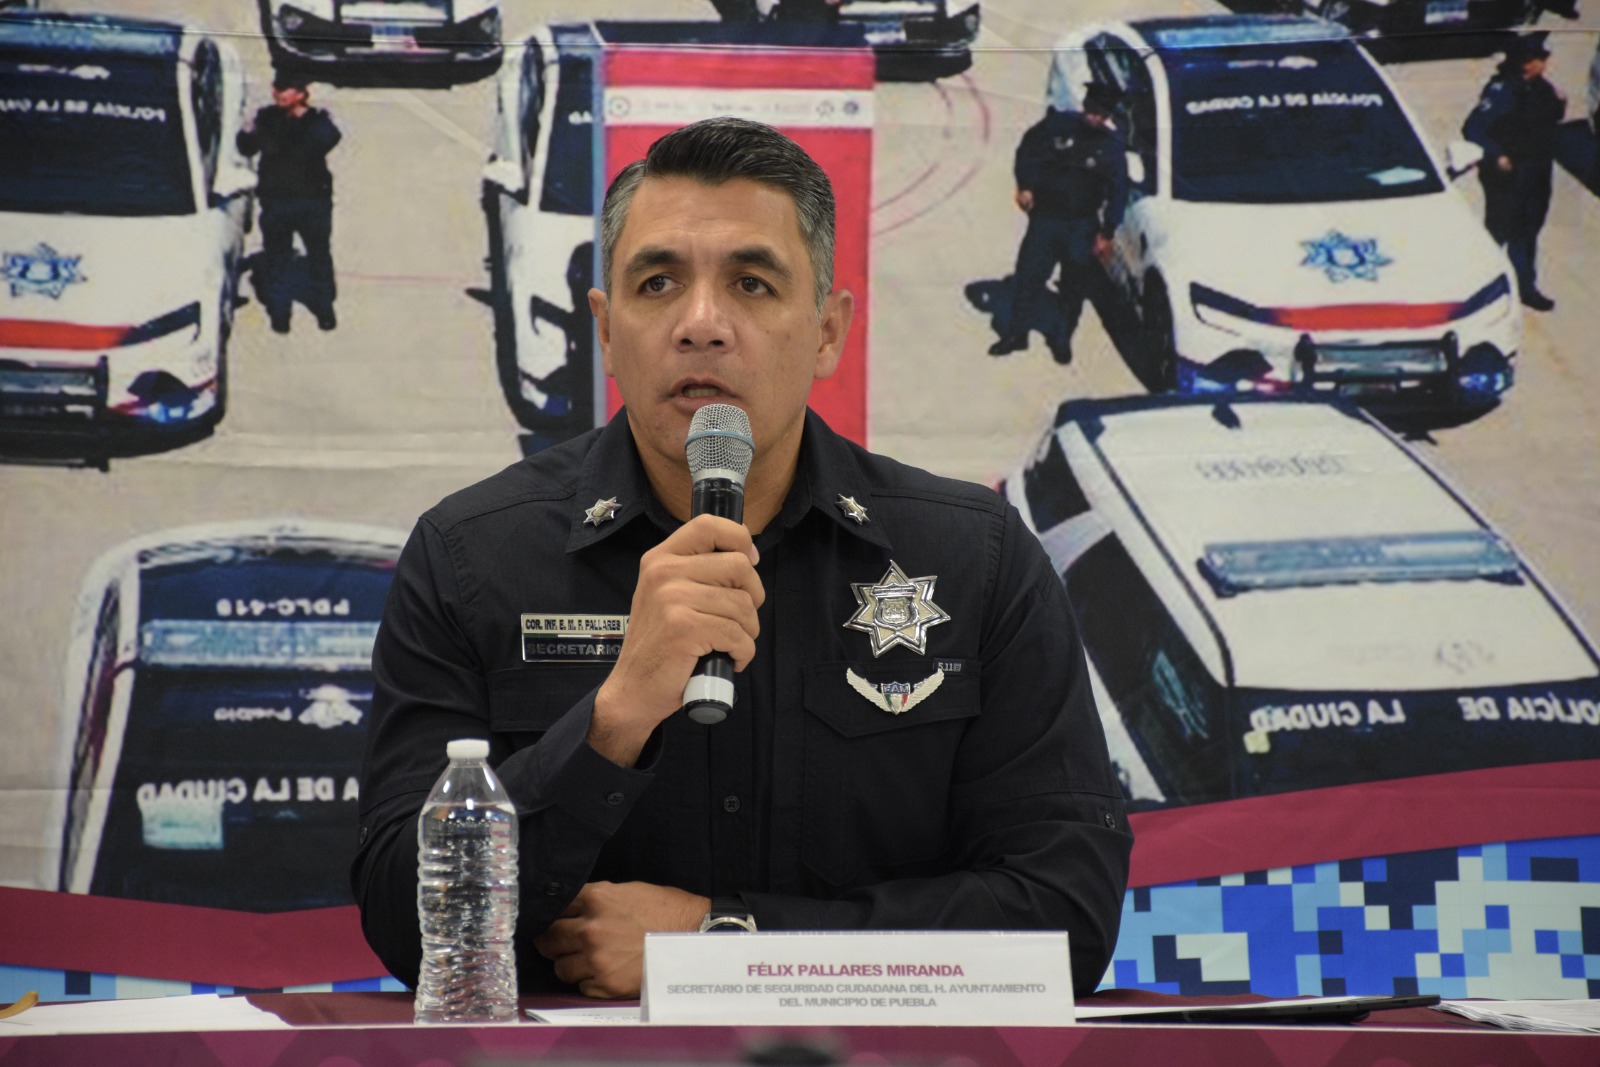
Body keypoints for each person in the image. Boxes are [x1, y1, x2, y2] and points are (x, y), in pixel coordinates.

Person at [351, 117, 1132, 1000]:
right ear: (605, 330)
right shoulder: (472, 556)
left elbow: (1065, 917)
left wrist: (725, 941)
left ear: (827, 331)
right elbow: (404, 924)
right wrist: (612, 720)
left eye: (752, 283)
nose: (701, 325)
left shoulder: (973, 558)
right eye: (657, 283)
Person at [989, 82, 1128, 364]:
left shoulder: (1111, 146)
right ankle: (1016, 334)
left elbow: (1118, 191)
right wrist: (1025, 185)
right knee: (1029, 277)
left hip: (1081, 225)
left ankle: (1061, 338)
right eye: (1090, 110)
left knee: (1073, 286)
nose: (1093, 117)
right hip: (1045, 220)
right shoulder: (1057, 126)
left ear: (1107, 116)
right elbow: (1028, 150)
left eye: (1100, 114)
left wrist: (1107, 232)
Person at [1462, 33, 1566, 312]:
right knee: (1499, 232)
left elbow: (1549, 120)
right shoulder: (1503, 89)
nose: (1544, 63)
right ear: (1526, 62)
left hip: (1536, 170)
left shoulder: (1542, 88)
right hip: (1508, 174)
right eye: (1540, 58)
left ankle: (1525, 287)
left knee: (1527, 231)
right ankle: (1480, 285)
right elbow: (1473, 128)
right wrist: (1497, 154)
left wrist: (1560, 104)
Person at [237, 72, 342, 333]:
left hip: (311, 202)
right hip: (277, 201)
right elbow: (247, 147)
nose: (278, 93)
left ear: (301, 94)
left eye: (286, 89)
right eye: (277, 88)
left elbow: (327, 140)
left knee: (319, 255)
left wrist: (296, 121)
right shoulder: (267, 118)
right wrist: (248, 128)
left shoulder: (317, 121)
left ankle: (324, 307)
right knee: (277, 258)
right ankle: (280, 312)